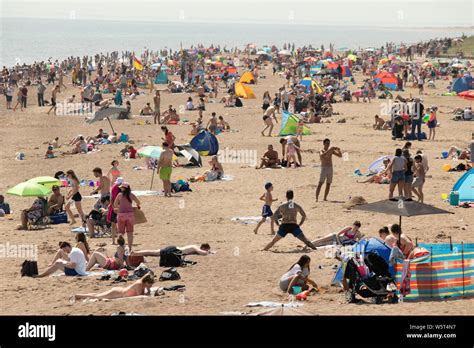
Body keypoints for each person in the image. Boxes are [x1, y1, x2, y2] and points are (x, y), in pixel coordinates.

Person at [73, 273, 155, 300]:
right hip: (117, 293)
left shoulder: (142, 284)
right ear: (146, 282)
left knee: (97, 295)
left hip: (118, 291)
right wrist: (148, 291)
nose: (151, 286)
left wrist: (147, 290)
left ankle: (78, 295)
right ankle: (77, 296)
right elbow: (140, 296)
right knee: (97, 297)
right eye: (150, 284)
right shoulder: (139, 284)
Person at [114, 182, 141, 250]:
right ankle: (130, 248)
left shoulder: (119, 195)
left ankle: (121, 247)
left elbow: (115, 204)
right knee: (130, 232)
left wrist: (120, 206)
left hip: (121, 215)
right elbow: (138, 202)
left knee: (121, 232)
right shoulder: (131, 195)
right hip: (130, 215)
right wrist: (137, 206)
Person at [131, 243, 213, 257]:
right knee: (154, 252)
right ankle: (136, 253)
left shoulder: (194, 247)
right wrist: (208, 252)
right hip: (174, 250)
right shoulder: (195, 247)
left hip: (174, 249)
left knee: (154, 252)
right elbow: (201, 253)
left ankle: (136, 253)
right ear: (204, 248)